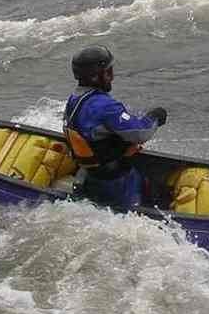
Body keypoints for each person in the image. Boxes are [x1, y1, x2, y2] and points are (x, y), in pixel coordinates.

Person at [63, 45, 167, 208]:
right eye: (108, 72)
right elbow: (140, 133)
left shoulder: (74, 99)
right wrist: (155, 117)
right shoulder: (104, 106)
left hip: (91, 174)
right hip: (114, 180)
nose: (112, 77)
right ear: (95, 77)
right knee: (148, 191)